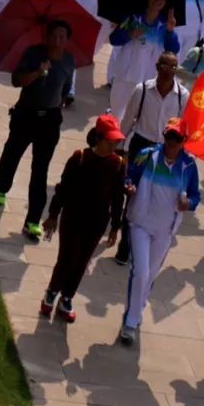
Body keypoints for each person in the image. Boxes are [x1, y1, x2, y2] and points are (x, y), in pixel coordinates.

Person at [0, 20, 76, 242]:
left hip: (49, 121)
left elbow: (65, 90)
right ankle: (1, 188)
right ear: (47, 37)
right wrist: (38, 72)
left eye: (62, 36)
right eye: (54, 35)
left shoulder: (69, 61)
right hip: (26, 114)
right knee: (13, 153)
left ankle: (33, 221)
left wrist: (56, 107)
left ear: (67, 40)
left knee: (41, 169)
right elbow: (17, 81)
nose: (58, 40)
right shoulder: (33, 54)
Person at [39, 116, 128, 323]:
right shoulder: (79, 158)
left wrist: (115, 226)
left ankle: (67, 298)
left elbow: (117, 197)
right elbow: (63, 188)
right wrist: (53, 215)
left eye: (116, 141)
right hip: (72, 217)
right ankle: (52, 292)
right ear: (98, 138)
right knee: (67, 258)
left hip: (97, 223)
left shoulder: (117, 164)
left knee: (81, 262)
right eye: (110, 140)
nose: (114, 145)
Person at [119, 120, 200, 345]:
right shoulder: (146, 155)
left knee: (151, 275)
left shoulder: (189, 166)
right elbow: (129, 176)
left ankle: (138, 308)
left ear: (184, 141)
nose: (172, 142)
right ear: (164, 135)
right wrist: (129, 186)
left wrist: (188, 203)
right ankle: (131, 321)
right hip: (141, 224)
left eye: (178, 138)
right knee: (141, 272)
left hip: (165, 230)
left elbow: (195, 196)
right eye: (169, 137)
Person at [114, 49, 187, 265]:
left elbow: (184, 127)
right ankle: (124, 247)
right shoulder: (142, 90)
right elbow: (127, 121)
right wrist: (119, 149)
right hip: (141, 146)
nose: (168, 71)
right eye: (164, 65)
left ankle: (142, 248)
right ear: (157, 67)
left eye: (173, 67)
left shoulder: (183, 96)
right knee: (134, 195)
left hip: (167, 149)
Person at [107, 0, 179, 124]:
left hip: (147, 79)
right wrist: (129, 34)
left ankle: (124, 145)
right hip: (125, 75)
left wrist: (170, 31)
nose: (158, 0)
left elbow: (173, 49)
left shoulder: (164, 25)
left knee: (135, 119)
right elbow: (114, 39)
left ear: (165, 3)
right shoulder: (133, 17)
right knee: (116, 115)